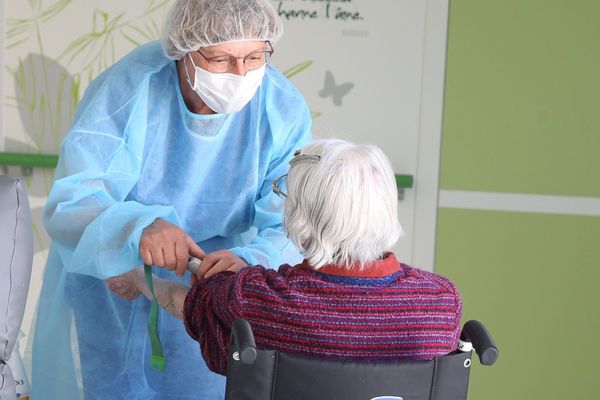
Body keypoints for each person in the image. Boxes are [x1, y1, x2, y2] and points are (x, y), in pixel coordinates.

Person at [30, 0, 312, 398]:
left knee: (200, 386)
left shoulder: (281, 108)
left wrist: (252, 260)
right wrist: (137, 226)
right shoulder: (131, 90)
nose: (241, 74)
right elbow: (74, 202)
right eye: (221, 59)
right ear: (184, 50)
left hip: (213, 277)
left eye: (254, 56)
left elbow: (291, 216)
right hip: (115, 271)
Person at [112, 139, 463, 375]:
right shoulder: (440, 302)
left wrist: (138, 279)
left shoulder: (253, 296)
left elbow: (186, 303)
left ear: (300, 217)